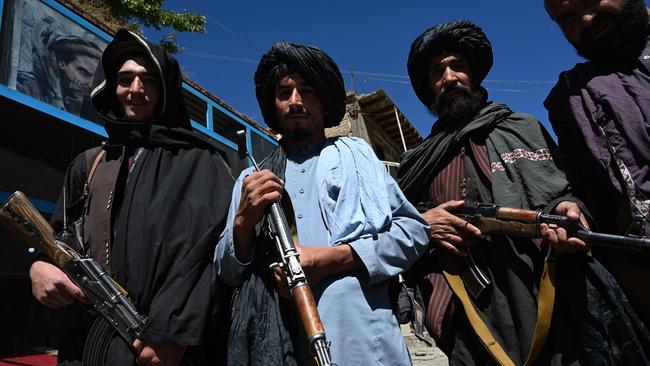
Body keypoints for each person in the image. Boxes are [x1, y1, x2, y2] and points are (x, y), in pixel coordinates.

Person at [398, 20, 650, 365]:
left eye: (458, 66)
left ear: (474, 75)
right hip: (470, 314)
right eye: (437, 72)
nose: (450, 77)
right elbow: (397, 227)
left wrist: (567, 208)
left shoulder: (522, 127)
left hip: (548, 289)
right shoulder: (418, 161)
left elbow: (570, 189)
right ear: (428, 87)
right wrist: (425, 224)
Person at [215, 41, 429, 365]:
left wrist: (335, 258)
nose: (296, 101)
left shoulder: (358, 157)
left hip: (363, 343)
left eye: (307, 91)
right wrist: (244, 219)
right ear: (273, 105)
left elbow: (413, 233)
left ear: (324, 101)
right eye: (284, 92)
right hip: (276, 345)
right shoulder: (251, 180)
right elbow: (226, 271)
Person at [28, 29, 234, 365]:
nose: (136, 90)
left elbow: (206, 256)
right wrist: (38, 266)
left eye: (149, 80)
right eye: (126, 79)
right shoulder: (90, 163)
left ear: (165, 89)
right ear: (111, 87)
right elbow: (59, 236)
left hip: (164, 349)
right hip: (84, 344)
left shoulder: (202, 162)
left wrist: (172, 334)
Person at [544, 0, 650, 330]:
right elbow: (603, 208)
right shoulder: (572, 98)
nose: (586, 19)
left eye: (589, 1)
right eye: (567, 17)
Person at [16, 17, 102, 119]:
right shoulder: (29, 84)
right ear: (62, 63)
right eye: (83, 72)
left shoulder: (81, 92)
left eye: (95, 77)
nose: (91, 84)